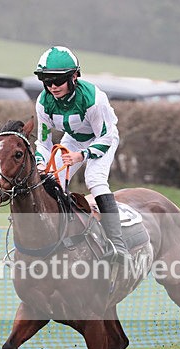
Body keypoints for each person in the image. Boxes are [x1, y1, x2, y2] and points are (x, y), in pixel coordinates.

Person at [32, 45, 130, 263]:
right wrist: (40, 163)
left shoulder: (93, 99)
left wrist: (81, 156)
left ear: (74, 77)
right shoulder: (43, 102)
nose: (52, 86)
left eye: (58, 80)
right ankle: (60, 236)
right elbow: (44, 143)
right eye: (46, 81)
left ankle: (118, 245)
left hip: (102, 139)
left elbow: (104, 137)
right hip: (73, 139)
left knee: (94, 179)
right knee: (51, 180)